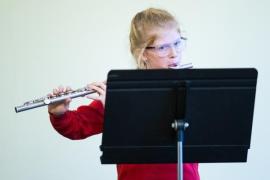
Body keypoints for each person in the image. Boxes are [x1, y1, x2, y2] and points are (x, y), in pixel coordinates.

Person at [48, 8, 200, 180]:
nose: (174, 54)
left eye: (177, 43)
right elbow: (77, 128)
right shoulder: (122, 93)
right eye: (163, 47)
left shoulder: (193, 90)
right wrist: (59, 113)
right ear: (143, 54)